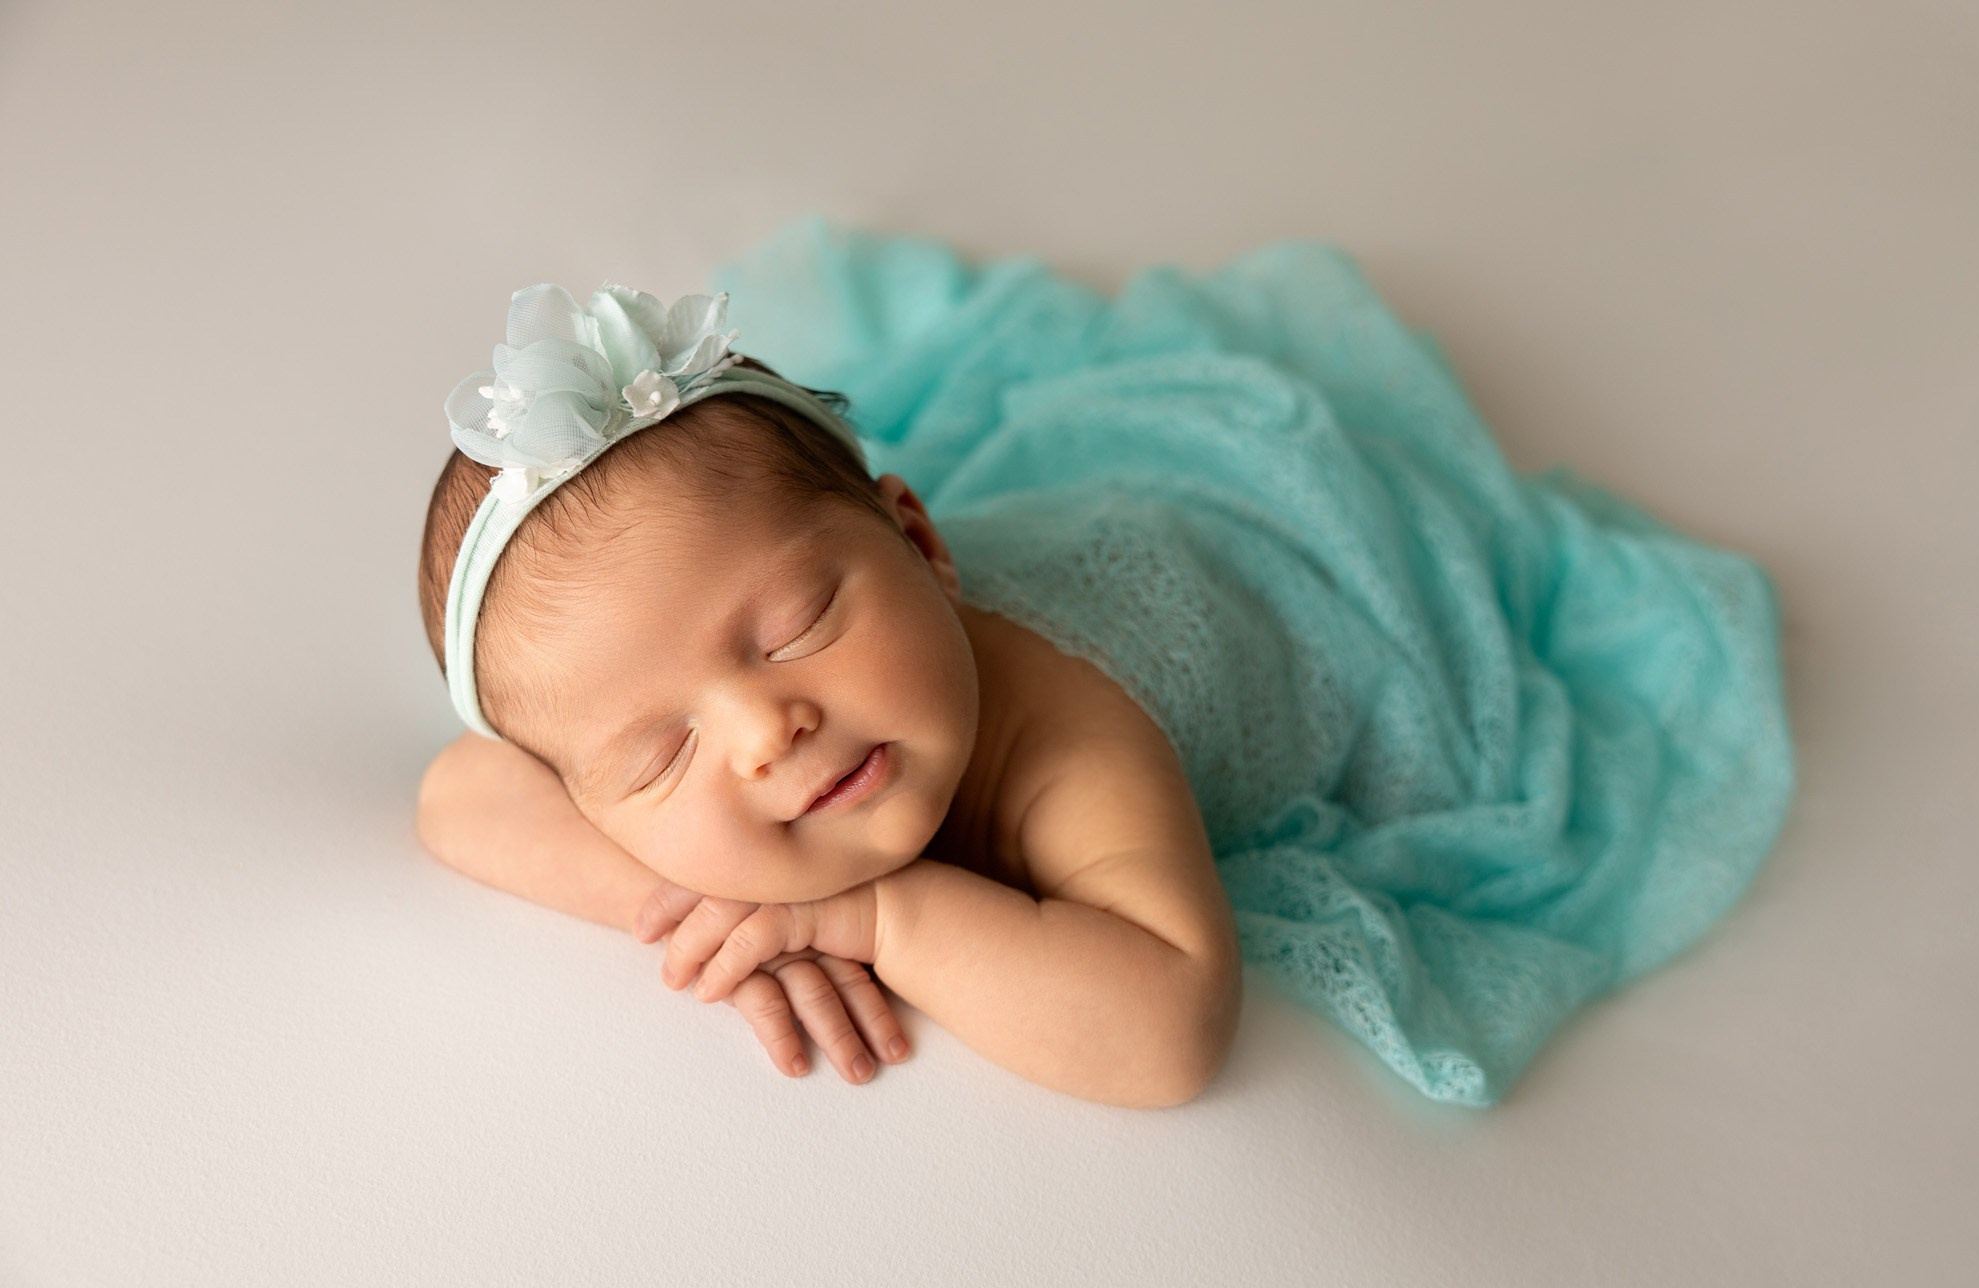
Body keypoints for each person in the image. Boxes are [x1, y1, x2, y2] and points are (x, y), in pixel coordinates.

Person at [413, 216, 1795, 1110]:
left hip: (1285, 556)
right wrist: (693, 893)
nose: (768, 729)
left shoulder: (1067, 742)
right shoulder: (718, 766)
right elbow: (456, 800)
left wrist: (865, 919)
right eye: (661, 752)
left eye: (793, 628)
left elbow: (1166, 1023)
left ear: (919, 541)